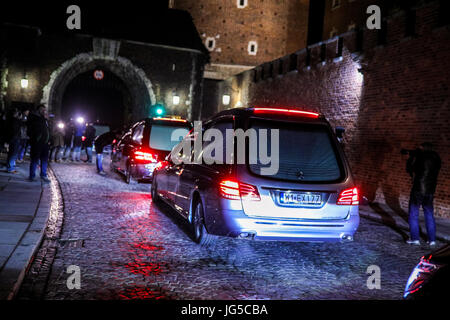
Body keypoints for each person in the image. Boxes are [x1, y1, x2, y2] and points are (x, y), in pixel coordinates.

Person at [406, 142, 441, 246]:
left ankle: (415, 238)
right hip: (430, 190)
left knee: (413, 214)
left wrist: (411, 158)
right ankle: (432, 240)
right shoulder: (437, 158)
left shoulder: (420, 157)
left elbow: (410, 169)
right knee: (429, 214)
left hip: (418, 189)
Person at [27, 104, 51, 182]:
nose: (44, 111)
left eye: (44, 110)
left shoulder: (45, 120)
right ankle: (32, 176)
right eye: (42, 110)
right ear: (38, 110)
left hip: (45, 143)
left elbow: (48, 131)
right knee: (35, 159)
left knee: (44, 160)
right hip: (37, 143)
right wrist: (35, 139)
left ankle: (43, 175)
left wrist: (50, 140)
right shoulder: (34, 118)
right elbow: (32, 130)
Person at [5, 108, 22, 173]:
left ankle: (9, 166)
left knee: (11, 153)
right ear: (14, 113)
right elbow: (15, 130)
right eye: (17, 112)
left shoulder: (11, 120)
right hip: (14, 138)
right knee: (13, 154)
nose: (18, 114)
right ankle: (10, 168)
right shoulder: (14, 120)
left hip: (13, 138)